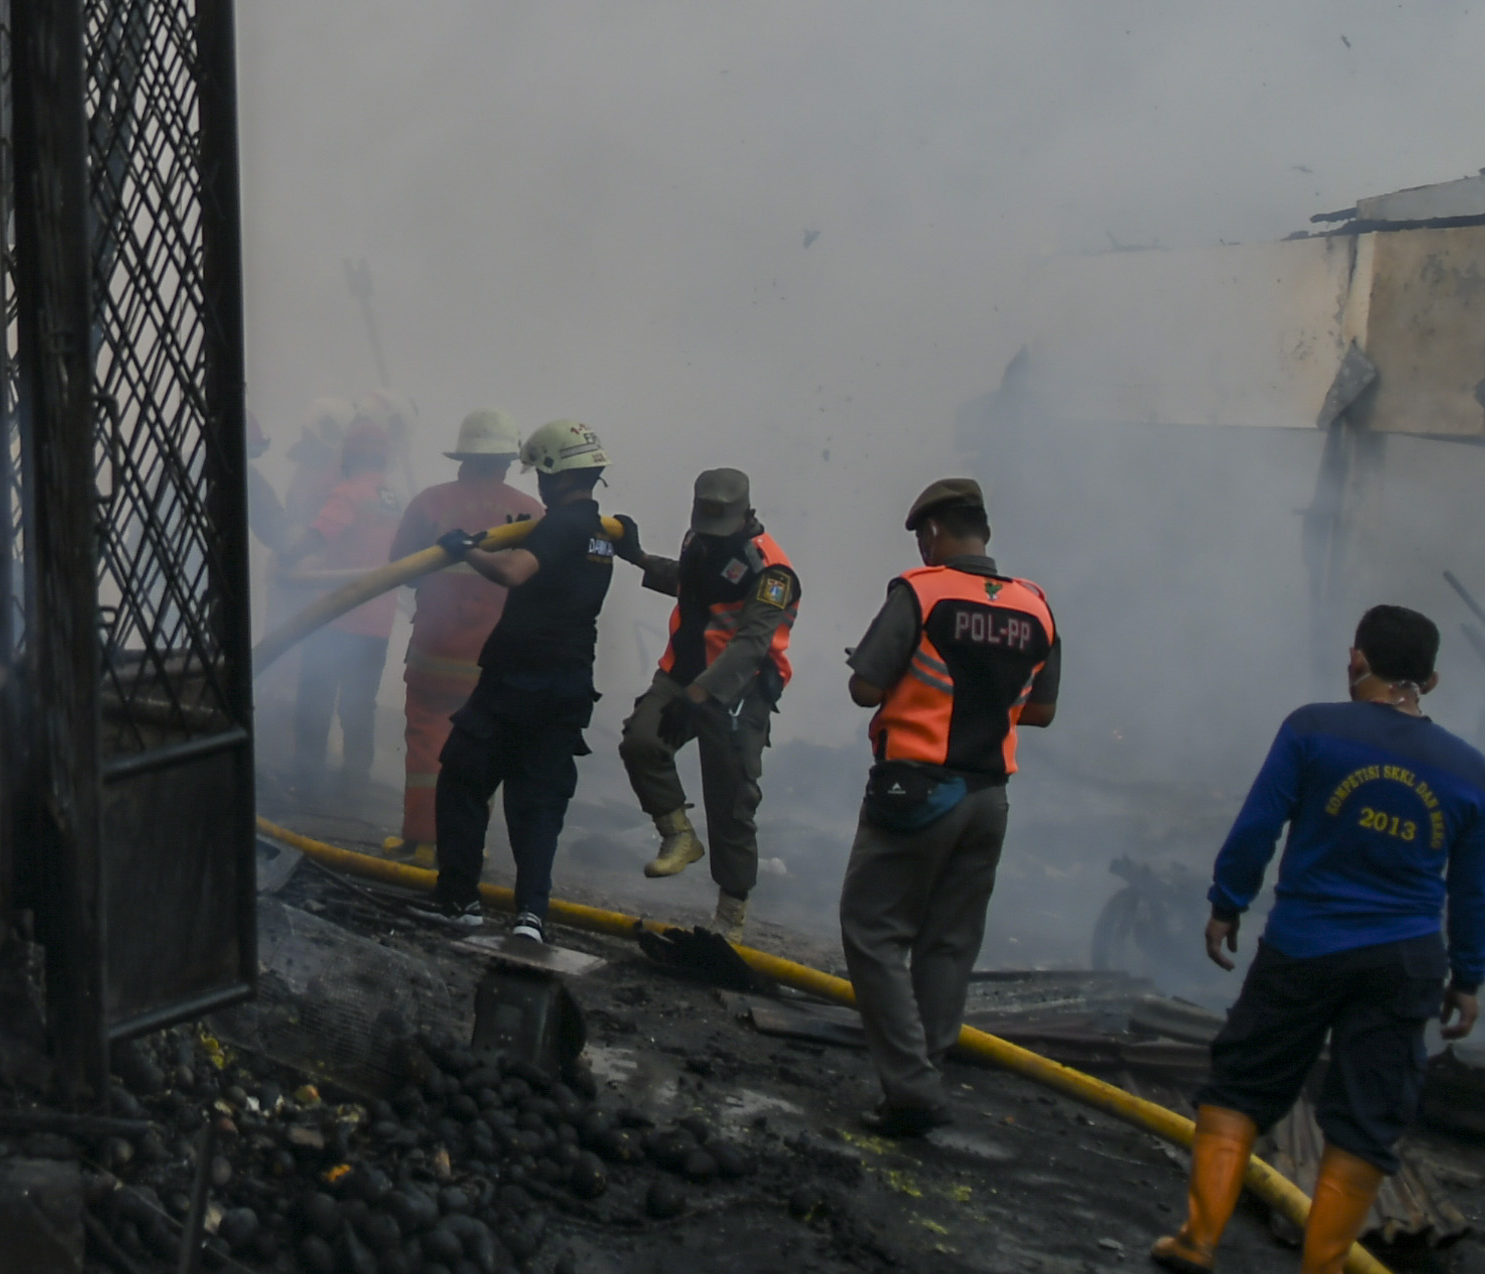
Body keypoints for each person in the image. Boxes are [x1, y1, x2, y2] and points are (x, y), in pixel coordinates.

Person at [1151, 605, 1485, 1274]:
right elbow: (1475, 887)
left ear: (1355, 660)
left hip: (1302, 945)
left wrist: (1227, 901)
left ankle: (1197, 1237)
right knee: (1368, 1117)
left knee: (1241, 1086)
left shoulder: (1312, 728)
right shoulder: (1471, 771)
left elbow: (1258, 824)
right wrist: (1468, 974)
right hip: (1403, 961)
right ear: (1429, 678)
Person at [837, 475, 1057, 1133]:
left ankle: (910, 1086)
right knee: (950, 944)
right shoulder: (1036, 605)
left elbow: (865, 687)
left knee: (872, 928)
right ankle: (924, 1075)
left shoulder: (921, 590)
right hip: (990, 797)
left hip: (919, 789)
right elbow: (1041, 711)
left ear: (933, 531)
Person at [433, 419, 631, 945]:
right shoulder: (599, 536)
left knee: (463, 777)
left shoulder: (559, 524)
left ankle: (459, 902)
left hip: (518, 680)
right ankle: (531, 917)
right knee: (538, 801)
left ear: (552, 473)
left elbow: (513, 572)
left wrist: (464, 550)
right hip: (568, 686)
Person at [620, 465, 797, 937]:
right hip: (682, 671)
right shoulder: (697, 539)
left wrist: (701, 694)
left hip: (738, 691)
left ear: (745, 514)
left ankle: (730, 917)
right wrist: (637, 557)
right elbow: (693, 582)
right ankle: (678, 836)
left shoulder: (771, 570)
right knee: (640, 741)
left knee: (731, 801)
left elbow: (752, 644)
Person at [384, 408, 541, 854]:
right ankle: (463, 844)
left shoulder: (431, 502)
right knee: (479, 750)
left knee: (427, 745)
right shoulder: (530, 512)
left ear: (463, 456)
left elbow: (399, 568)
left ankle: (421, 839)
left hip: (435, 652)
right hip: (494, 660)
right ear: (507, 460)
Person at [274, 401, 401, 821]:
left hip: (338, 617)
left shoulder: (348, 492)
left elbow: (321, 533)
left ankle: (307, 786)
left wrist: (288, 558)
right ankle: (355, 790)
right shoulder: (395, 497)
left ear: (348, 456)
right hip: (379, 622)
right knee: (360, 707)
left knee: (315, 699)